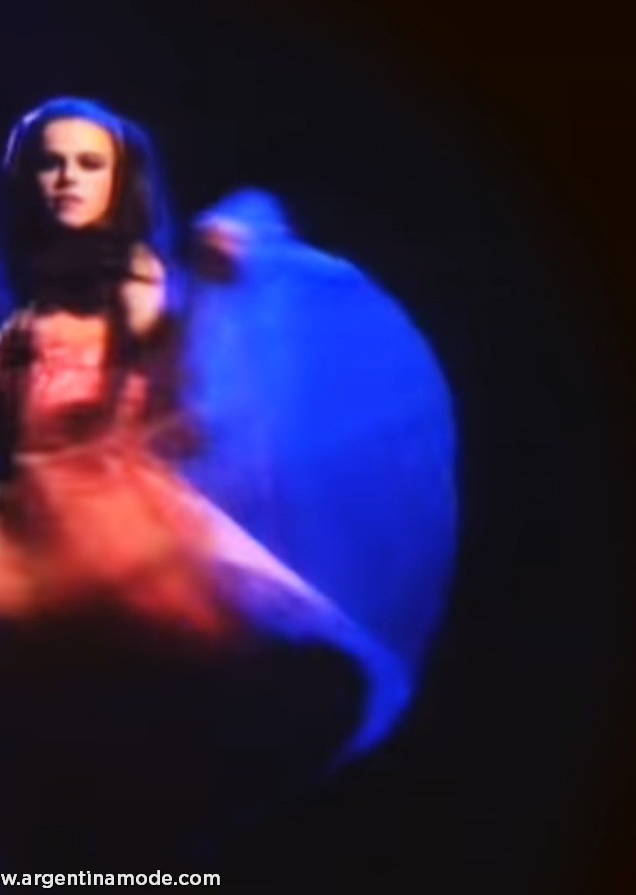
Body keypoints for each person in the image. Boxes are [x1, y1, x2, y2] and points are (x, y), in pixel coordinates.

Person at [0, 98, 407, 877]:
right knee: (59, 803)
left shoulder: (135, 284)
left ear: (119, 179)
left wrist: (206, 307)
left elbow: (151, 414)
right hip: (32, 562)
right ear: (23, 179)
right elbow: (23, 473)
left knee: (125, 785)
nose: (66, 178)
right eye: (49, 162)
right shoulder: (25, 308)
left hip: (125, 560)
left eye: (88, 163)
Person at [181, 188, 458, 674]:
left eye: (226, 245)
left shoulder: (304, 292)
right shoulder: (207, 312)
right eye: (209, 247)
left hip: (300, 499)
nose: (218, 254)